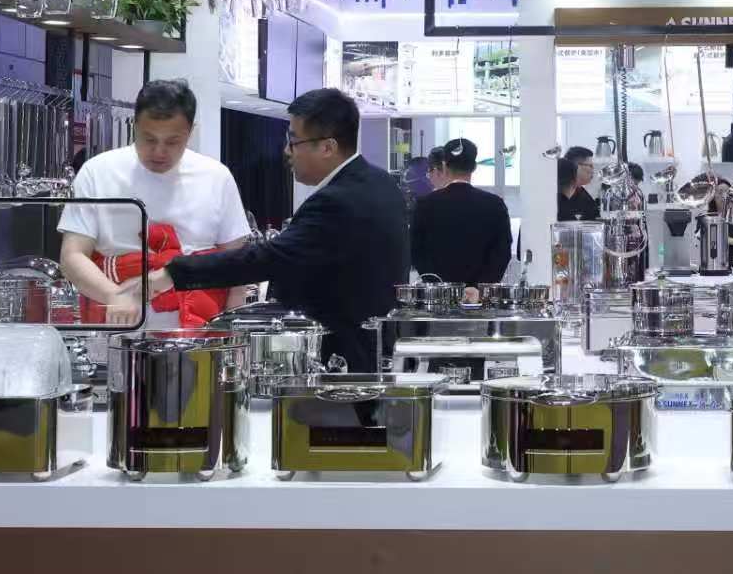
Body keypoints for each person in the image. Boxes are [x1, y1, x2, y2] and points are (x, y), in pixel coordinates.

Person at [145, 88, 409, 373]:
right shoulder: (380, 183)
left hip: (341, 361)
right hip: (371, 350)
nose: (286, 151)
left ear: (327, 147)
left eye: (293, 141)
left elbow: (269, 258)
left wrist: (174, 272)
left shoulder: (338, 200)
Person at [57, 80, 251, 328]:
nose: (159, 151)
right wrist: (113, 295)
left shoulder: (216, 176)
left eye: (172, 142)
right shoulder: (97, 171)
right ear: (134, 125)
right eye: (149, 139)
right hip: (115, 322)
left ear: (191, 132)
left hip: (200, 328)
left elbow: (237, 262)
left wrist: (231, 327)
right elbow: (73, 255)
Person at [411, 138, 512, 296]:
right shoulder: (495, 204)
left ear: (444, 166)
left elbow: (416, 251)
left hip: (438, 297)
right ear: (474, 167)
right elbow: (502, 252)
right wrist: (479, 287)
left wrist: (437, 285)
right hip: (480, 298)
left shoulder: (425, 204)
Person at [557, 147, 599, 222]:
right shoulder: (557, 194)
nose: (593, 171)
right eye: (590, 166)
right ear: (576, 166)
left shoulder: (582, 193)